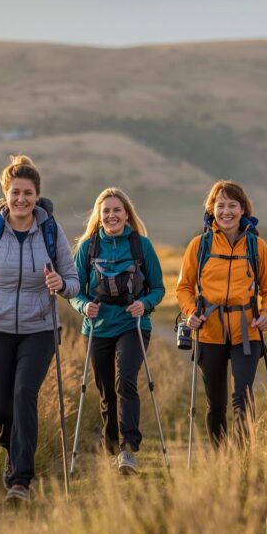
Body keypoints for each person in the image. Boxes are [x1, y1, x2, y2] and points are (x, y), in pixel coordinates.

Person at [0, 155, 79, 503]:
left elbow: (73, 281)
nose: (21, 199)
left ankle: (21, 481)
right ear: (6, 194)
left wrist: (61, 283)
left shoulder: (51, 231)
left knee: (25, 392)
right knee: (2, 408)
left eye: (28, 193)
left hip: (39, 328)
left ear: (37, 195)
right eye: (15, 192)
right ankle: (12, 453)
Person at [176, 180, 267, 447]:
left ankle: (243, 461)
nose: (226, 211)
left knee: (243, 397)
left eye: (232, 205)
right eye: (220, 205)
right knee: (217, 404)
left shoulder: (257, 247)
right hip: (209, 333)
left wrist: (266, 312)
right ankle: (222, 460)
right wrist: (190, 314)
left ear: (243, 209)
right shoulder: (199, 246)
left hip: (248, 331)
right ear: (211, 209)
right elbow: (184, 288)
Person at [69, 188, 165, 474]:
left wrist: (144, 304)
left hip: (133, 325)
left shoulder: (141, 246)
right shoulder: (88, 248)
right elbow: (74, 290)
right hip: (97, 328)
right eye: (106, 211)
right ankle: (111, 446)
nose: (111, 215)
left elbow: (158, 288)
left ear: (127, 214)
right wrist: (84, 306)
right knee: (105, 390)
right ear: (99, 216)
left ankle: (127, 449)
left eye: (116, 210)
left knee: (126, 380)